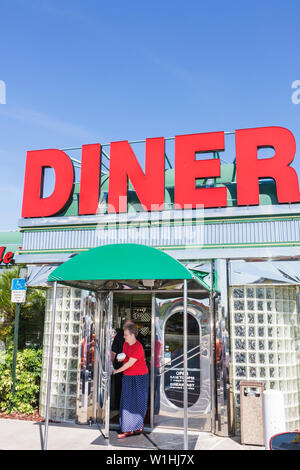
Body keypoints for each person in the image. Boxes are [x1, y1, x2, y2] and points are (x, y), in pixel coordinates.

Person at [113, 323, 149, 438]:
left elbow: (129, 363)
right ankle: (127, 428)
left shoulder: (138, 347)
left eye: (126, 335)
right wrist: (120, 357)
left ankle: (137, 426)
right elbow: (125, 356)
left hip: (139, 377)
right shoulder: (125, 344)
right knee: (126, 401)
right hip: (128, 376)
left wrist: (116, 371)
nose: (124, 337)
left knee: (138, 402)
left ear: (133, 335)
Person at [111, 319, 145, 410]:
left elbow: (131, 362)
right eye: (126, 327)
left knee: (134, 394)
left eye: (129, 327)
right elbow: (114, 352)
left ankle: (134, 413)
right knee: (121, 390)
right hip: (122, 369)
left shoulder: (138, 343)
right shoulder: (121, 337)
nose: (124, 336)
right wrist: (111, 364)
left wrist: (115, 370)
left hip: (135, 372)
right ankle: (120, 408)